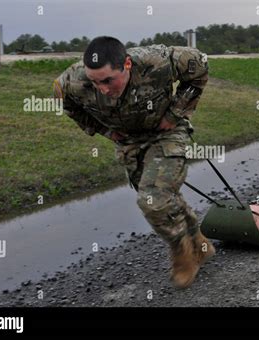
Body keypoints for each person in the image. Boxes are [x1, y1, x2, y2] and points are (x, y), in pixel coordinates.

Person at [53, 36, 214, 288]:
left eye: (108, 80)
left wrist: (175, 113)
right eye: (95, 82)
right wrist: (105, 131)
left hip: (167, 132)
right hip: (129, 142)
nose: (103, 89)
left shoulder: (156, 61)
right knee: (164, 197)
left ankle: (183, 255)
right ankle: (200, 244)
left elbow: (200, 65)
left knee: (154, 200)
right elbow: (67, 104)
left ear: (127, 64)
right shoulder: (72, 81)